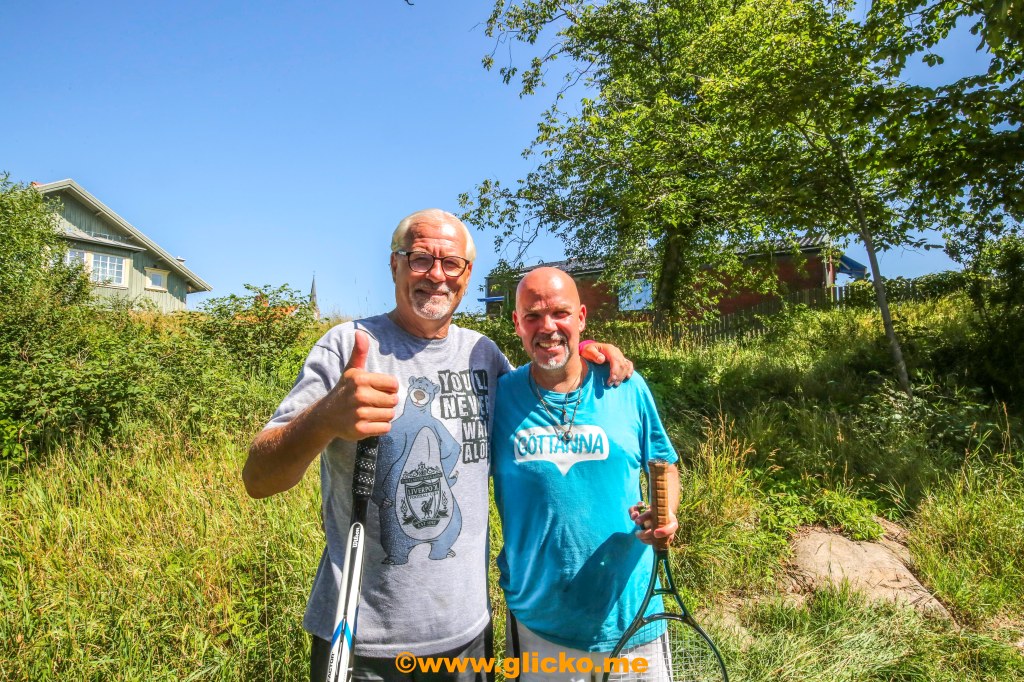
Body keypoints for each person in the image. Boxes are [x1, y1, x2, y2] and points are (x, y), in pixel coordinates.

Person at [242, 210, 634, 682]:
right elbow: (258, 479)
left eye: (452, 263)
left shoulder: (484, 356)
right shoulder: (347, 346)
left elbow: (546, 412)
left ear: (467, 275)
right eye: (421, 258)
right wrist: (325, 417)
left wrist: (590, 359)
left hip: (466, 638)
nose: (436, 275)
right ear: (394, 265)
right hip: (360, 639)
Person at [491, 267, 680, 682]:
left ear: (581, 318)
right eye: (533, 316)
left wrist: (666, 516)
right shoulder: (498, 397)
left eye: (560, 313)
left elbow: (663, 463)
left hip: (634, 618)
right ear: (517, 323)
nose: (548, 327)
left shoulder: (625, 386)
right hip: (541, 623)